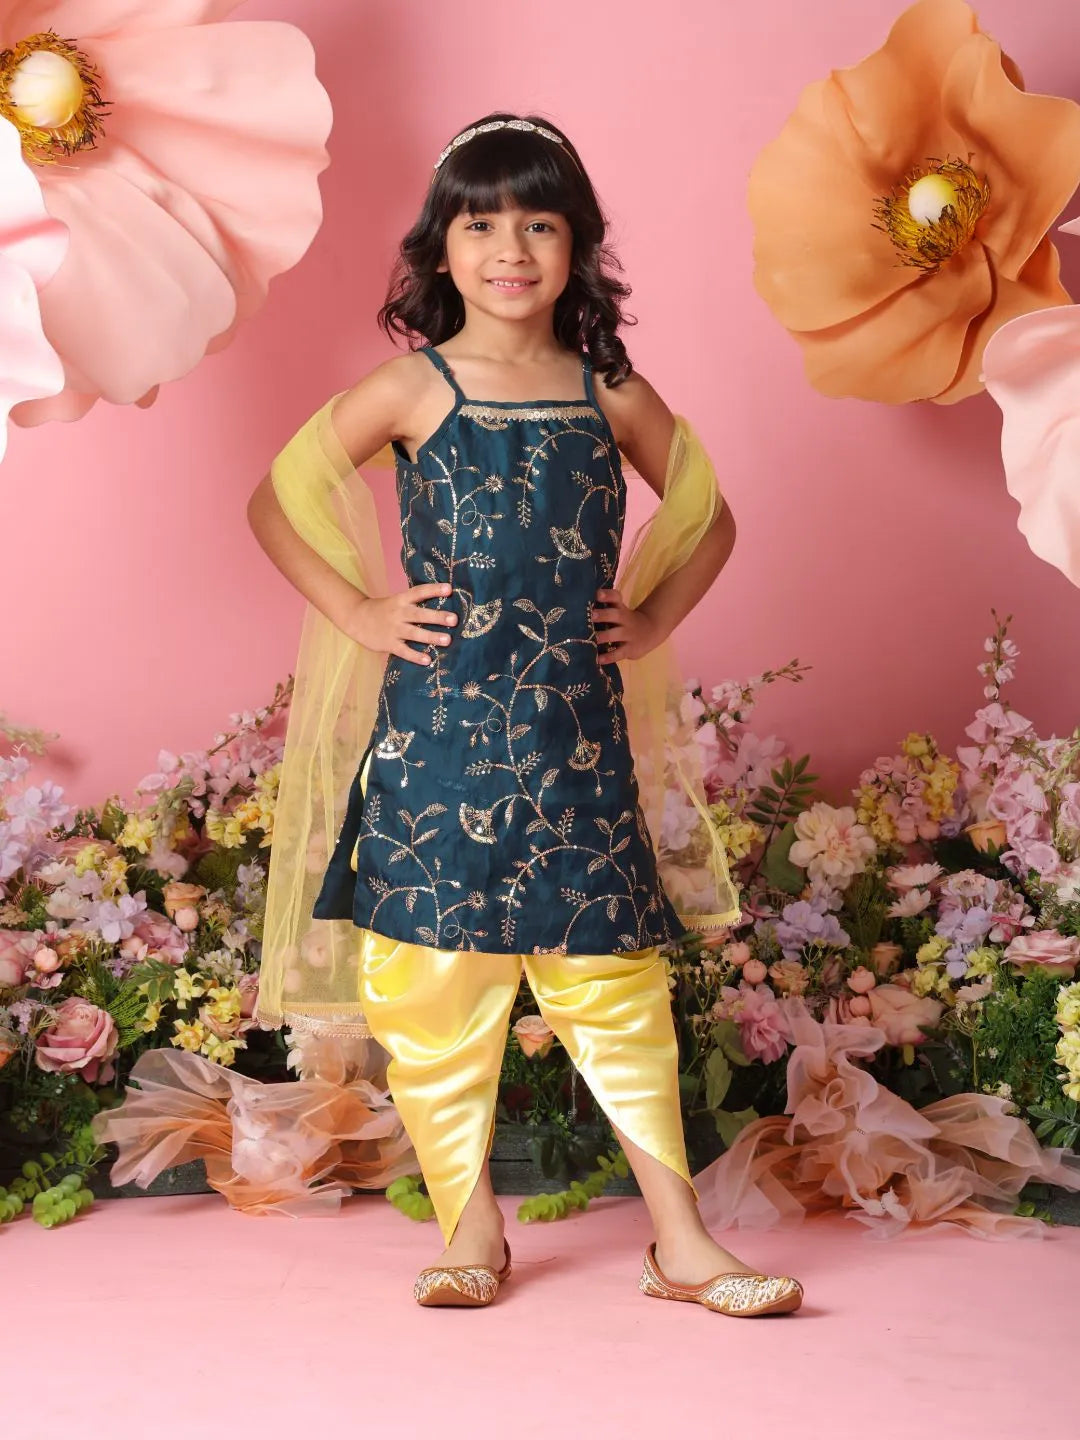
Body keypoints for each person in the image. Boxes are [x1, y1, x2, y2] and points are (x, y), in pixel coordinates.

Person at [248, 112, 803, 1317]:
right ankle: (470, 1233)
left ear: (578, 246)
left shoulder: (611, 392)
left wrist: (649, 620)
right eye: (482, 221)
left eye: (540, 222)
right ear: (440, 249)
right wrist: (358, 609)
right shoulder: (412, 386)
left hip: (572, 740)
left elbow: (708, 515)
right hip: (436, 738)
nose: (512, 248)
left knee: (614, 981)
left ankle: (682, 1244)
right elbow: (279, 500)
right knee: (437, 981)